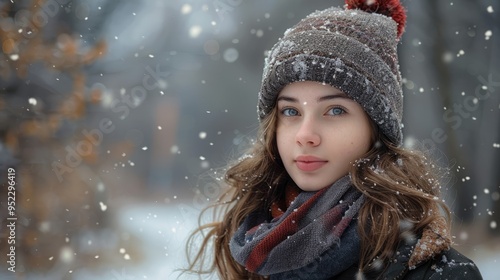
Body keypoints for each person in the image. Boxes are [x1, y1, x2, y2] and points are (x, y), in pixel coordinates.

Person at [186, 0, 484, 279]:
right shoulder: (249, 242)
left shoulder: (437, 272)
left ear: (375, 128)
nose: (305, 135)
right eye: (290, 110)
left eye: (335, 110)